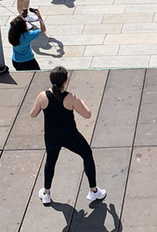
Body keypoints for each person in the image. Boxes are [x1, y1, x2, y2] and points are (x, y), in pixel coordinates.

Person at [30, 67, 107, 204]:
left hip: (51, 136)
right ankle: (94, 190)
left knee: (50, 161)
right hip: (70, 135)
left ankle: (46, 193)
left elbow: (33, 114)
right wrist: (82, 103)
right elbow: (87, 115)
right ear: (65, 80)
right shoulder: (71, 98)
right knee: (87, 155)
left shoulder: (43, 96)